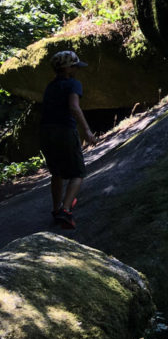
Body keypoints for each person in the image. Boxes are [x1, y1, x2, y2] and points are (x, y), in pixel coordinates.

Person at [40, 50, 97, 229]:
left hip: (46, 131)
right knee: (77, 173)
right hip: (64, 130)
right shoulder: (73, 84)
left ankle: (56, 209)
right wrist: (87, 131)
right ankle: (65, 211)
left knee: (56, 172)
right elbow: (74, 107)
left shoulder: (50, 86)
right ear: (67, 69)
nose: (77, 69)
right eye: (74, 66)